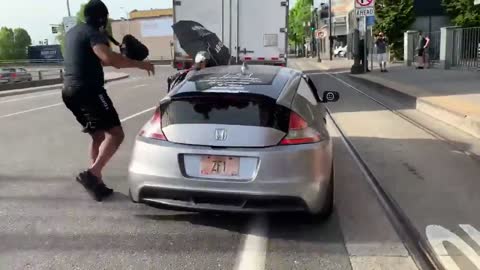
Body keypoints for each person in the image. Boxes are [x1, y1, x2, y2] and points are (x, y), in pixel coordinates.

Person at [61, 0, 155, 201]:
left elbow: (102, 59)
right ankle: (92, 173)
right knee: (116, 134)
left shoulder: (73, 33)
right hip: (89, 90)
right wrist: (140, 64)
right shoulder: (93, 33)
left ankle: (97, 184)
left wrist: (118, 54)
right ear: (102, 19)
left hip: (69, 92)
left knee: (98, 136)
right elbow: (109, 59)